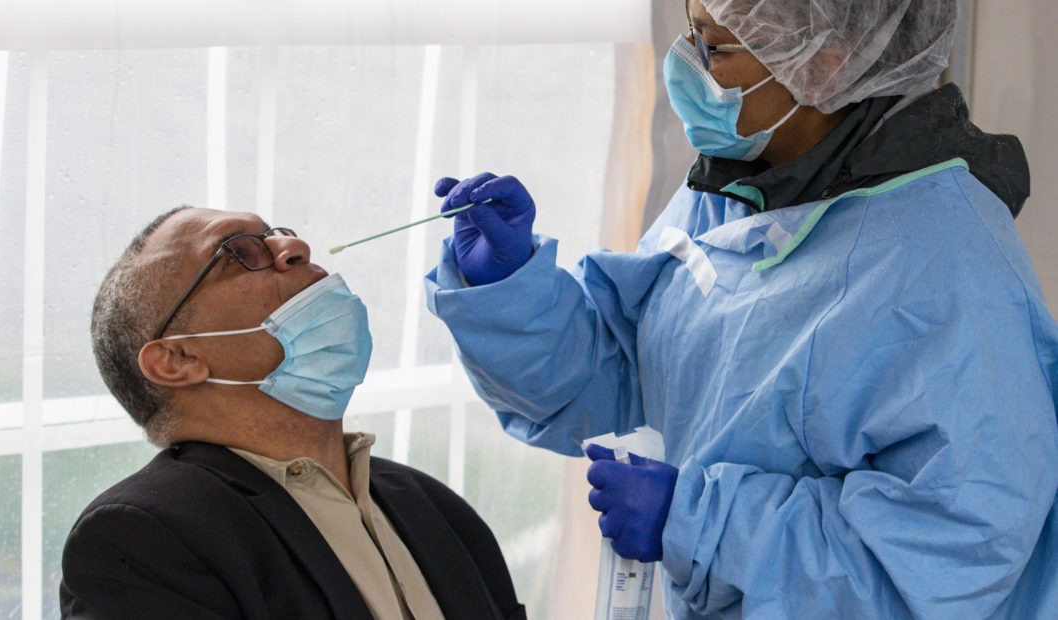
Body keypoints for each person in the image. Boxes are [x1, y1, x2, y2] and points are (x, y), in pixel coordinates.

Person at [423, 0, 1058, 618]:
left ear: (826, 63)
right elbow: (626, 382)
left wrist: (700, 526)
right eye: (690, 33)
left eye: (714, 46)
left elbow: (946, 567)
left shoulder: (945, 266)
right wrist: (509, 292)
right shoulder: (734, 192)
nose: (686, 64)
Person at [60, 206, 526, 619]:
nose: (295, 246)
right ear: (177, 360)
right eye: (238, 251)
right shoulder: (144, 539)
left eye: (279, 232)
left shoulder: (431, 506)